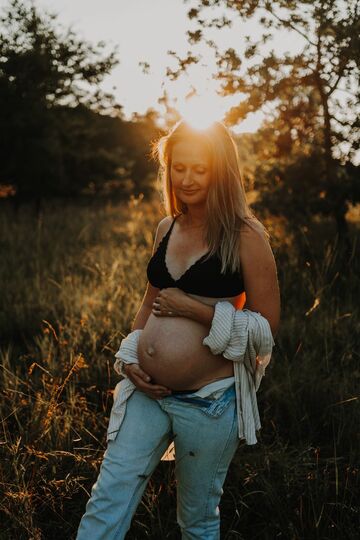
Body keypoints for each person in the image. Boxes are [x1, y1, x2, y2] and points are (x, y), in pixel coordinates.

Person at [76, 120, 281, 540]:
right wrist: (132, 356)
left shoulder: (246, 236)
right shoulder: (166, 228)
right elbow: (150, 300)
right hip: (147, 394)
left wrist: (195, 308)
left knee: (197, 520)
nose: (185, 179)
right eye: (178, 167)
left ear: (220, 171)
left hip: (209, 403)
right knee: (107, 497)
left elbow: (265, 328)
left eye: (199, 169)